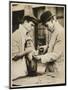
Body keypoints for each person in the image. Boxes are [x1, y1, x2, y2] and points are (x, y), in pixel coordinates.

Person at [35, 10, 65, 75]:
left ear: (52, 20)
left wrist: (40, 57)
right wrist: (45, 47)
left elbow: (56, 54)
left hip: (58, 69)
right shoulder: (54, 31)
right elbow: (53, 44)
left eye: (46, 25)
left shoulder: (61, 32)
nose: (47, 28)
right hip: (51, 68)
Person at [12, 13, 38, 80]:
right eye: (31, 25)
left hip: (25, 73)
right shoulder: (15, 35)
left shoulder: (28, 36)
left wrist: (35, 53)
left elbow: (31, 53)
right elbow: (14, 56)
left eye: (33, 26)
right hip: (16, 74)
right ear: (25, 22)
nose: (32, 28)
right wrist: (28, 51)